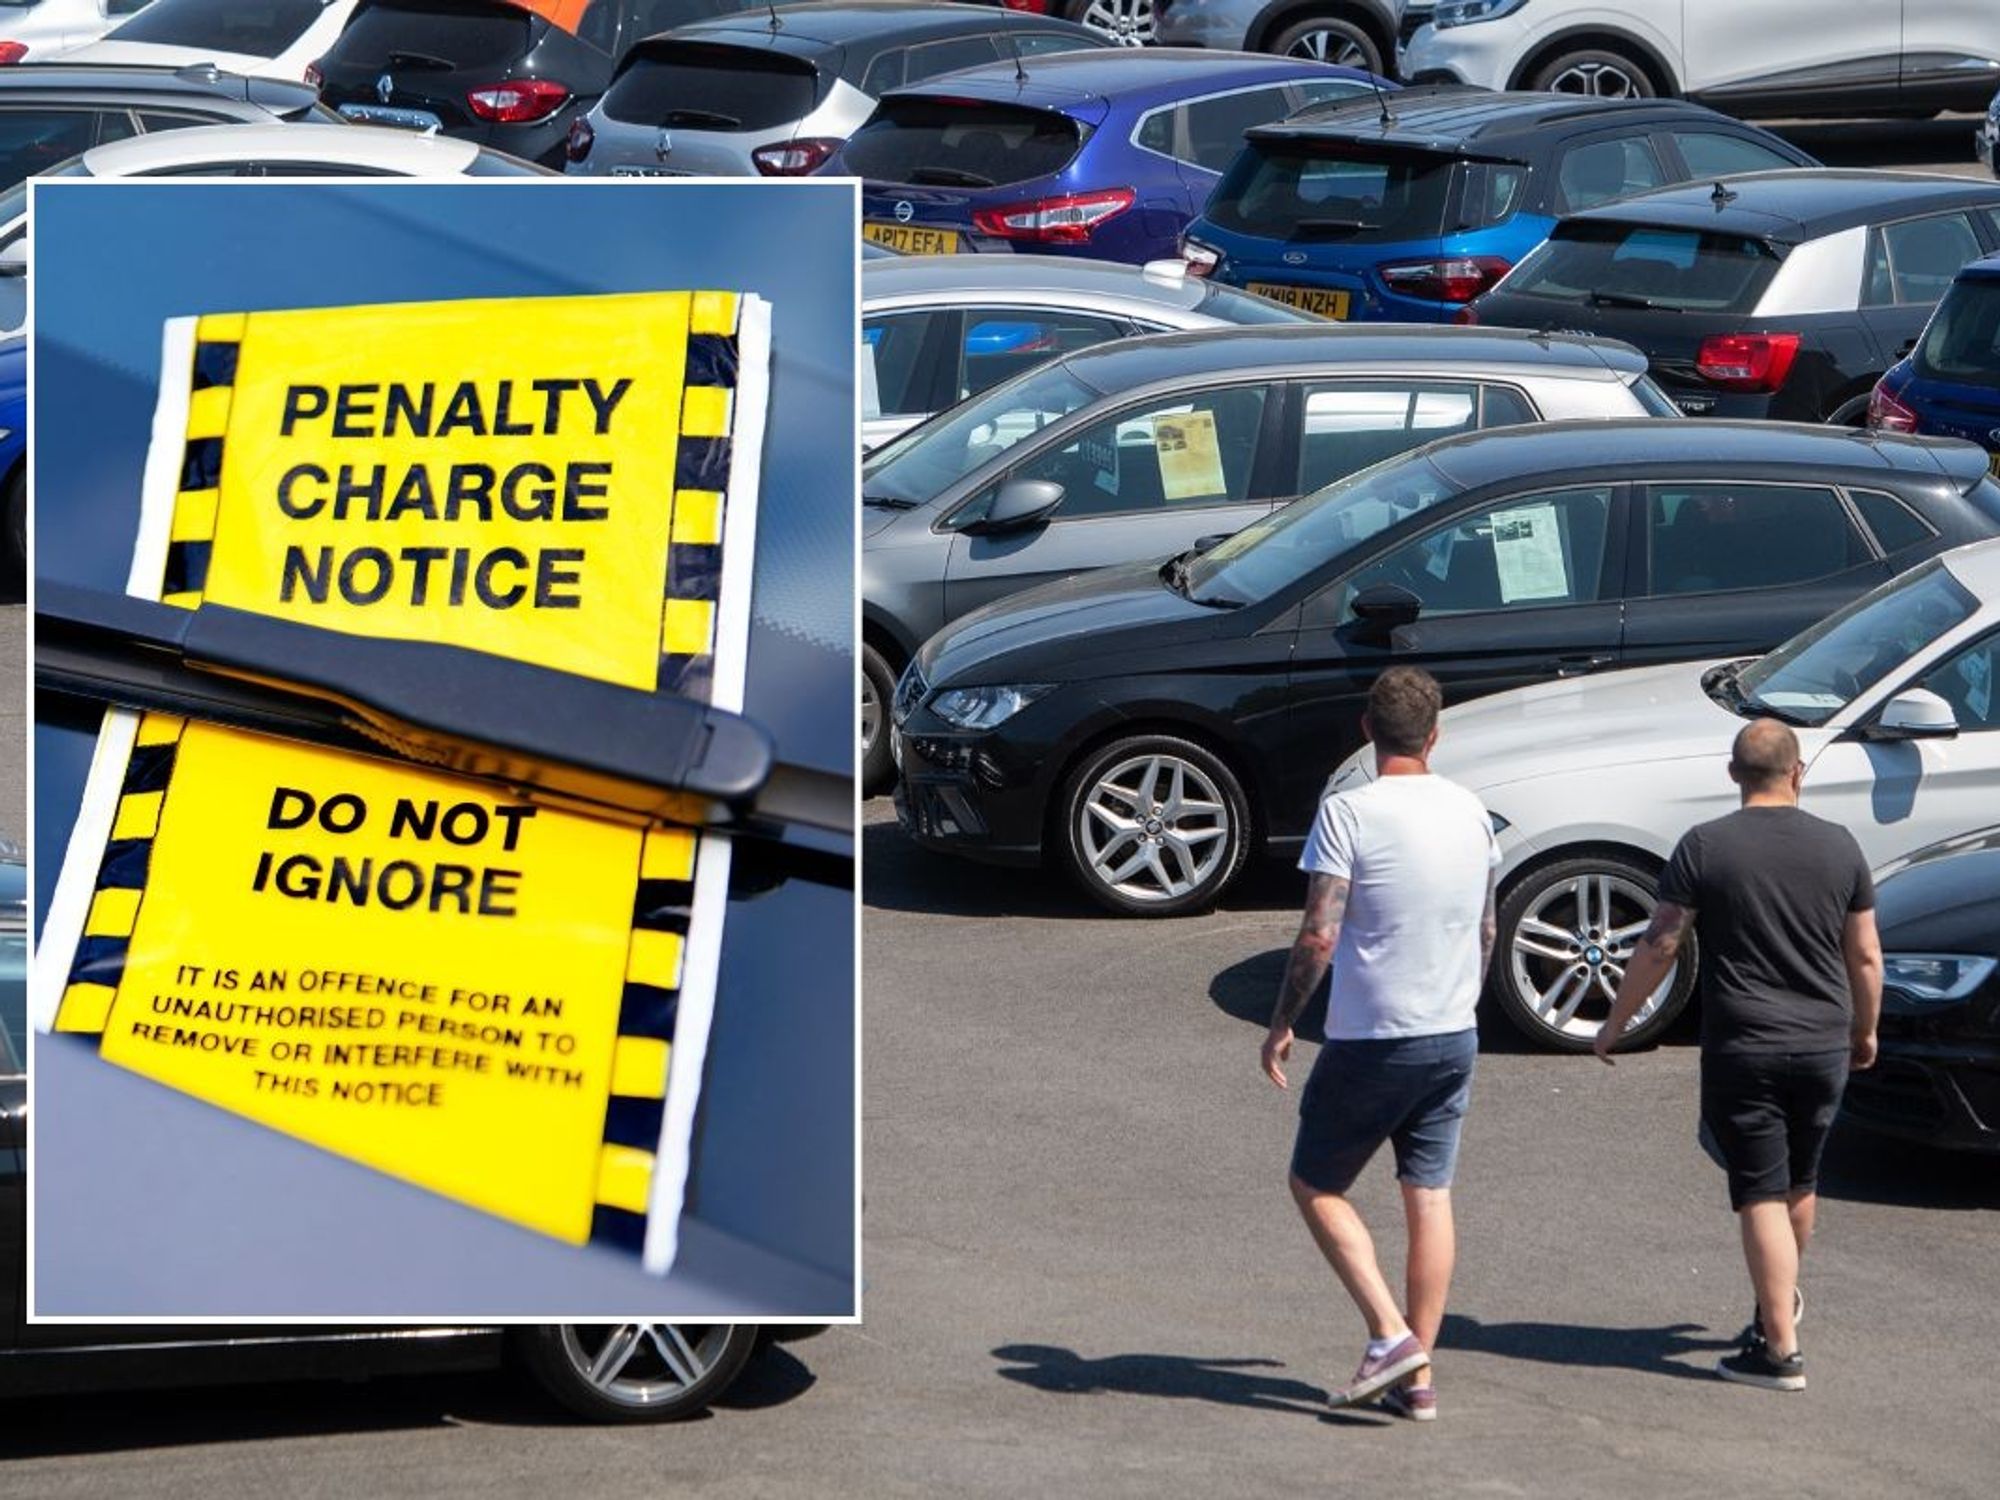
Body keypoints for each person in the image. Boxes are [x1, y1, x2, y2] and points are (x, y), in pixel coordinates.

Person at [1594, 718, 1882, 1392]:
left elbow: (1660, 943)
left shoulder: (1705, 846)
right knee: (1799, 1182)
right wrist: (1866, 1031)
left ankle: (1778, 1349)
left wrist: (1617, 1020)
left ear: (1733, 775)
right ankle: (1774, 1305)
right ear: (1798, 773)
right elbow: (1865, 954)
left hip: (1744, 1044)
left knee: (1759, 1189)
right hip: (1821, 1042)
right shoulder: (1840, 847)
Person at [1261, 665, 1499, 1422]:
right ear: (1435, 734)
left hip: (1373, 1038)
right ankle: (1416, 1379)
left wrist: (1282, 1021)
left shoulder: (1350, 811)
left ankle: (1391, 1335)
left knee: (1316, 1184)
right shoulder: (1470, 811)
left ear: (1366, 730)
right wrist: (1462, 995)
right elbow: (1488, 928)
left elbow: (1320, 931)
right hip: (1452, 1033)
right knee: (1428, 1194)